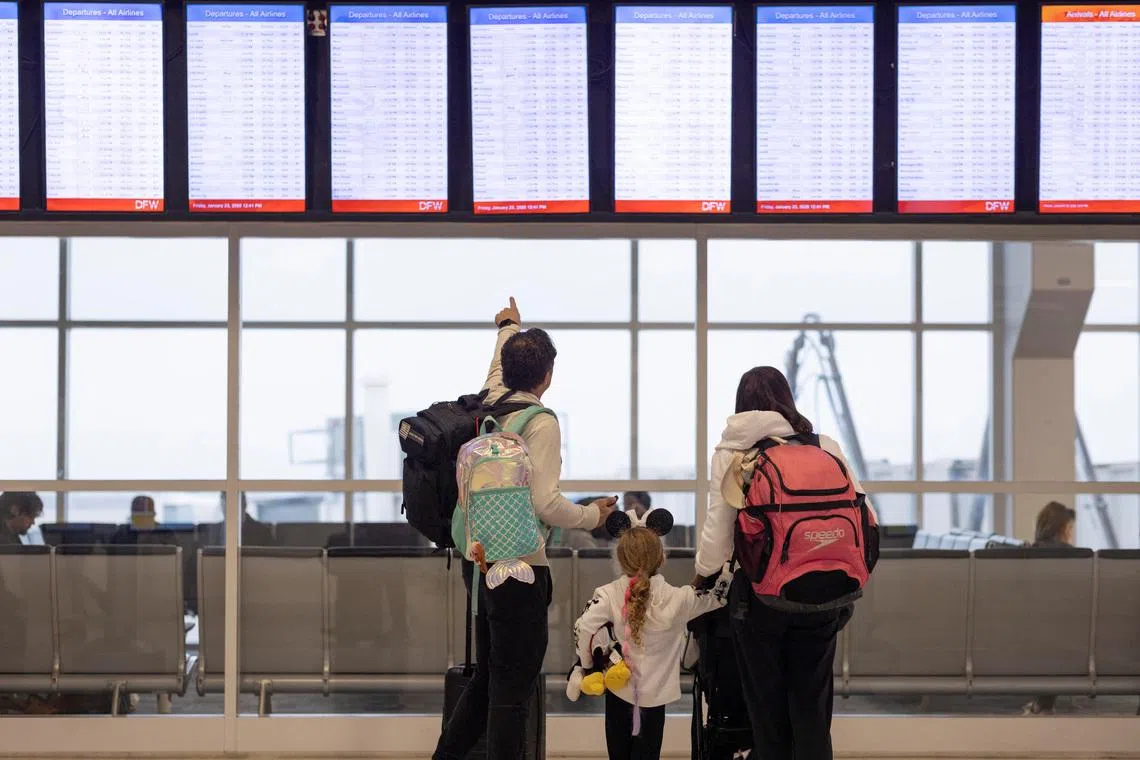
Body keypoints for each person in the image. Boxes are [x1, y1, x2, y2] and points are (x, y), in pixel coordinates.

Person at [435, 298, 617, 760]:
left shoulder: (490, 402)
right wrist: (592, 516)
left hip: (479, 565)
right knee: (511, 691)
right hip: (522, 570)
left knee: (489, 681)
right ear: (548, 376)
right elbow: (544, 502)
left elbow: (499, 366)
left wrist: (507, 327)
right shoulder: (541, 423)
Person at [694, 366, 872, 760]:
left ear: (741, 404)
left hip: (762, 598)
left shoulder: (734, 452)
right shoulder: (824, 445)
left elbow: (718, 532)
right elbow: (863, 514)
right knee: (812, 710)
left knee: (767, 711)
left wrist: (703, 575)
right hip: (827, 594)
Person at [574, 524, 728, 760]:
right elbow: (719, 597)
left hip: (619, 692)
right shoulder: (681, 598)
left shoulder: (607, 594)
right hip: (655, 700)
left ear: (619, 558)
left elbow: (583, 627)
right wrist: (727, 567)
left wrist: (587, 666)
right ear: (662, 558)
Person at [1022, 501, 1077, 716]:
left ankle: (1041, 706)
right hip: (1071, 640)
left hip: (1027, 638)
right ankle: (1042, 706)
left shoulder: (1024, 557)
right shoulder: (1079, 558)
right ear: (1064, 529)